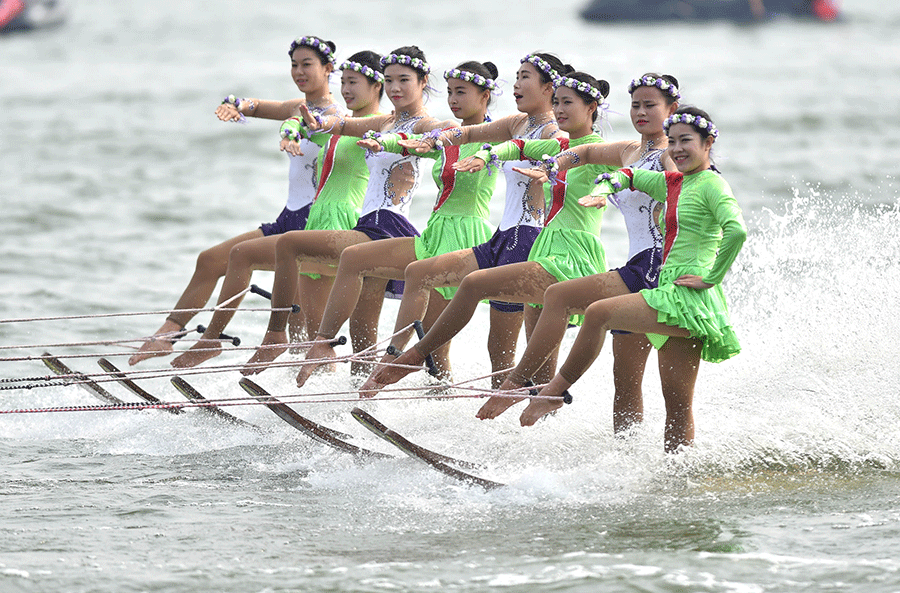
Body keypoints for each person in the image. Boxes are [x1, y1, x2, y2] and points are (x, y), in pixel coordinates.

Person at [363, 70, 617, 396]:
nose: (560, 108)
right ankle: (417, 362)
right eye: (557, 102)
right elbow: (498, 141)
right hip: (517, 240)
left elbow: (625, 164)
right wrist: (474, 150)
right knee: (432, 282)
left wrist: (616, 184)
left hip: (550, 248)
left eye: (566, 101)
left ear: (591, 106)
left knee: (517, 351)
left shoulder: (590, 147)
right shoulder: (549, 139)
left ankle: (421, 359)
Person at [324, 53, 568, 390]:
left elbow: (554, 154)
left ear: (549, 87)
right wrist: (422, 141)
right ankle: (395, 377)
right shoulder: (517, 124)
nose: (516, 84)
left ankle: (526, 419)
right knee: (481, 347)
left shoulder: (556, 135)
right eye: (516, 76)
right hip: (496, 238)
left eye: (524, 76)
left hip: (523, 239)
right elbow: (463, 134)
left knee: (508, 354)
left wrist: (491, 153)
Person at [261, 61, 501, 384]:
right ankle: (361, 392)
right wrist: (315, 123)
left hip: (425, 229)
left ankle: (368, 360)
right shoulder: (396, 124)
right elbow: (346, 126)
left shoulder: (452, 129)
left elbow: (509, 143)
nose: (395, 87)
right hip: (424, 231)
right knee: (371, 328)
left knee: (434, 345)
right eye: (389, 80)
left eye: (404, 80)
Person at [523, 106, 746, 452]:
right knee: (677, 405)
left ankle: (553, 391)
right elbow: (628, 176)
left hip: (685, 297)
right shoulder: (676, 183)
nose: (677, 149)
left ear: (708, 142)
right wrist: (603, 187)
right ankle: (676, 481)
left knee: (598, 313)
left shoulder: (712, 184)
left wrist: (710, 277)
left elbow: (737, 231)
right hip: (671, 290)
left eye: (686, 140)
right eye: (672, 142)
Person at [478, 73, 681, 431]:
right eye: (635, 104)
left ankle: (520, 384)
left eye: (651, 105)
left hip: (656, 267)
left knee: (561, 298)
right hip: (636, 265)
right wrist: (554, 164)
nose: (641, 112)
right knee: (626, 380)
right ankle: (622, 461)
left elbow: (682, 193)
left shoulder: (669, 156)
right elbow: (584, 151)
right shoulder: (630, 151)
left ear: (672, 109)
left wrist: (617, 183)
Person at [128, 35, 341, 366]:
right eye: (294, 65)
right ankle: (167, 335)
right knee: (210, 260)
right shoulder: (293, 107)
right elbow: (255, 105)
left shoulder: (336, 119)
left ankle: (319, 391)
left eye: (307, 65)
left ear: (328, 69)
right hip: (288, 218)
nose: (299, 71)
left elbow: (301, 123)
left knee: (304, 331)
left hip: (314, 223)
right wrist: (235, 105)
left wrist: (291, 128)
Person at [170, 50, 386, 368]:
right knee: (313, 332)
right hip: (318, 218)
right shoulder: (340, 123)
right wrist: (282, 126)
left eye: (353, 82)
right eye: (344, 83)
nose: (346, 90)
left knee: (247, 257)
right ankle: (306, 394)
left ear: (376, 86)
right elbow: (301, 118)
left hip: (343, 222)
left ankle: (228, 339)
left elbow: (409, 138)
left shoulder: (378, 126)